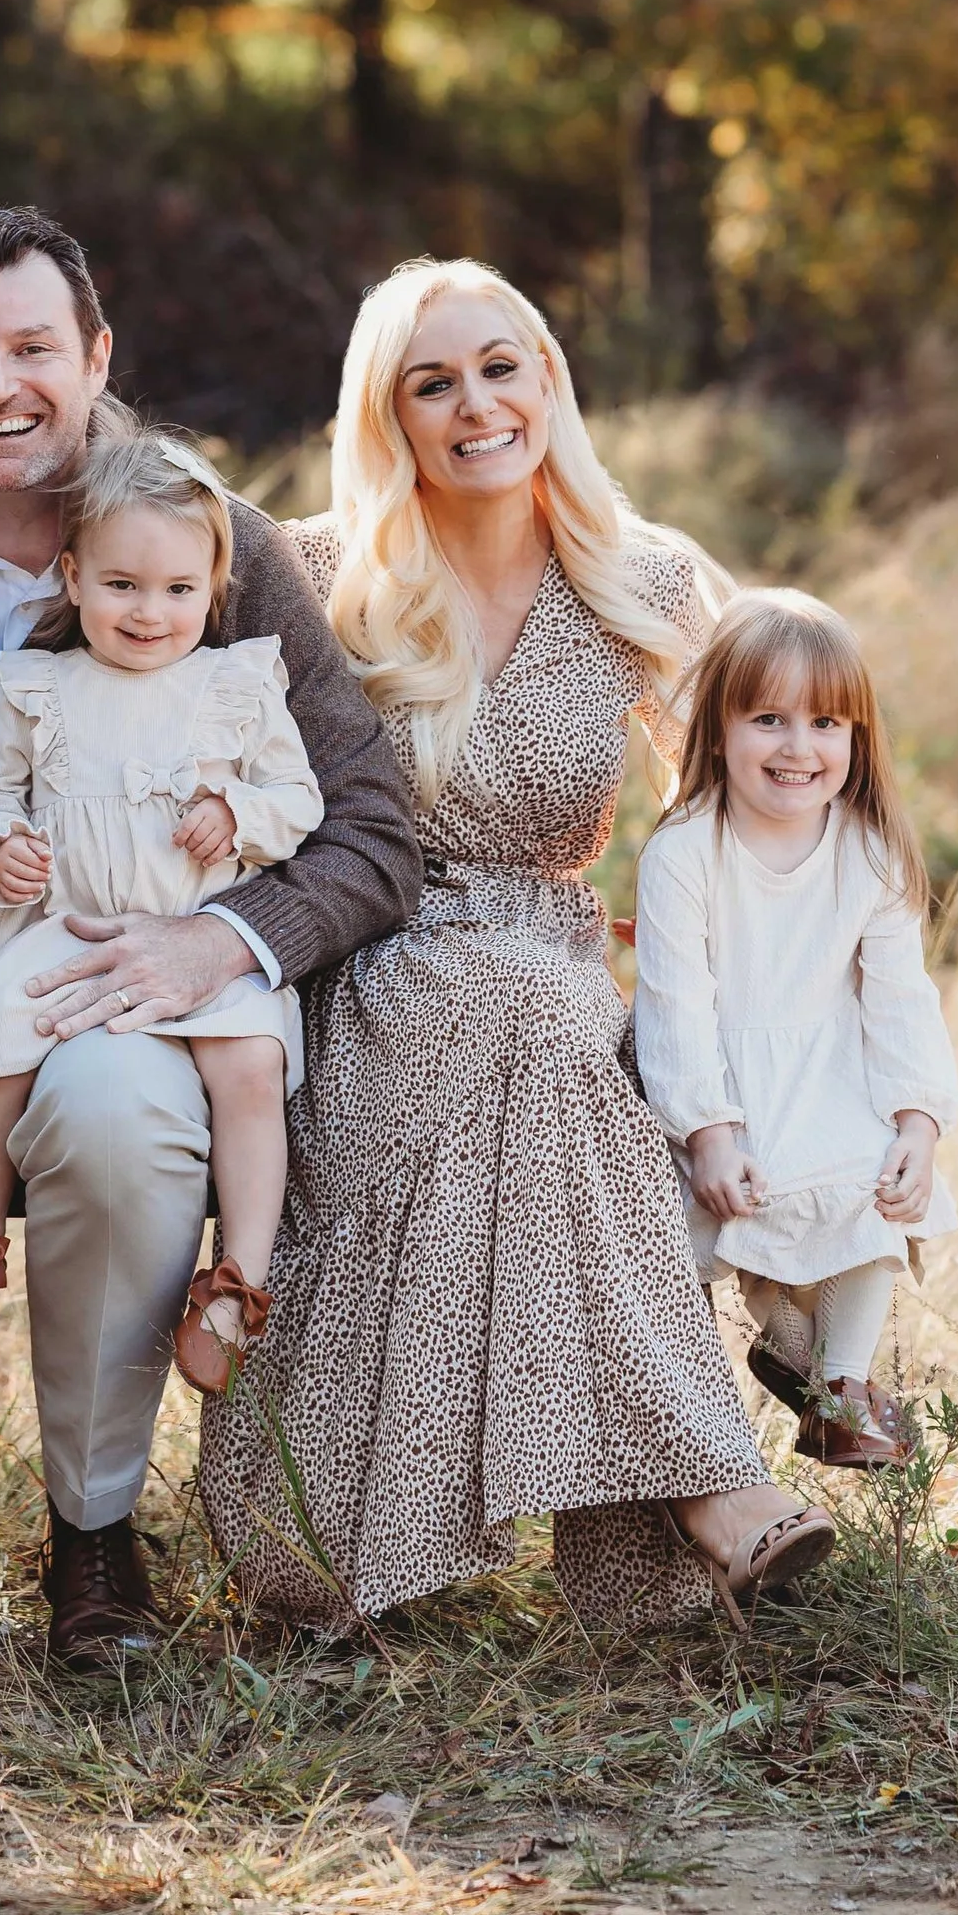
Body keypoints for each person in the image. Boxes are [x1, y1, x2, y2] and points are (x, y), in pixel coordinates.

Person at [0, 205, 421, 1667]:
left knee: (124, 1128)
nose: (0, 386)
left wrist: (229, 937)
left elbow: (370, 826)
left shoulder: (212, 546)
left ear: (96, 354)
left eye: (34, 348)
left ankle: (96, 1543)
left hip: (134, 973)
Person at [200, 258, 834, 1633]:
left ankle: (661, 1504)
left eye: (501, 367)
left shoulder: (646, 579)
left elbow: (745, 815)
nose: (475, 404)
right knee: (544, 1024)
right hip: (362, 969)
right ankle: (709, 1491)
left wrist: (716, 972)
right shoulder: (315, 575)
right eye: (433, 384)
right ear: (393, 418)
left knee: (555, 1023)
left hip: (554, 952)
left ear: (548, 377)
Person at [0, 424, 321, 1397]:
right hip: (70, 927)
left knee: (250, 1067)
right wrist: (1, 849)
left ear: (211, 583)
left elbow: (300, 801)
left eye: (178, 589)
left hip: (201, 934)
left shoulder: (235, 685)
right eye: (122, 584)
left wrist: (237, 811)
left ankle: (235, 1284)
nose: (149, 610)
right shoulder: (38, 689)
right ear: (73, 575)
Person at [632, 586, 958, 1468]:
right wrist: (709, 1130)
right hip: (721, 1087)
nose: (797, 747)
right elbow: (676, 1005)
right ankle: (792, 1351)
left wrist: (918, 1122)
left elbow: (901, 998)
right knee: (749, 1230)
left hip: (830, 1077)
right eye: (769, 718)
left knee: (871, 1199)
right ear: (719, 731)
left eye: (826, 724)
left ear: (857, 739)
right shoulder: (683, 854)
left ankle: (840, 1389)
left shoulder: (870, 851)